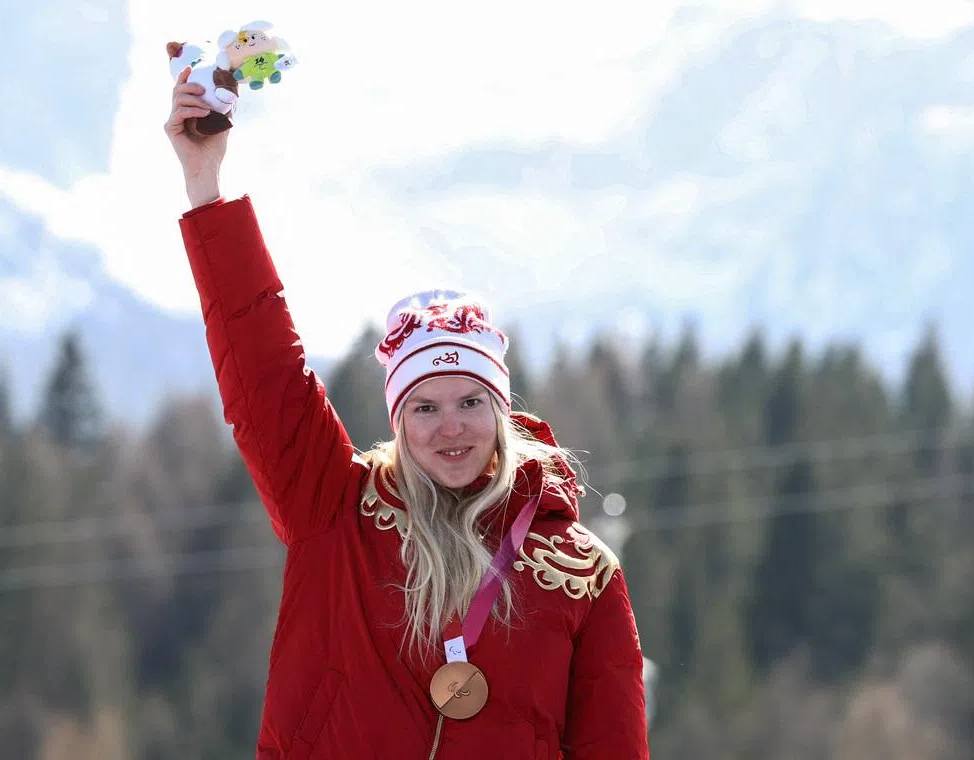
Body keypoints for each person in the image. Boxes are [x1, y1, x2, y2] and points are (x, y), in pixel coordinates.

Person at [165, 65, 648, 760]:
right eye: (423, 406)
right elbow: (265, 375)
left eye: (470, 402)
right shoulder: (334, 507)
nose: (449, 426)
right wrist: (205, 188)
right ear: (397, 418)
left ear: (502, 409)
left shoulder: (579, 572)